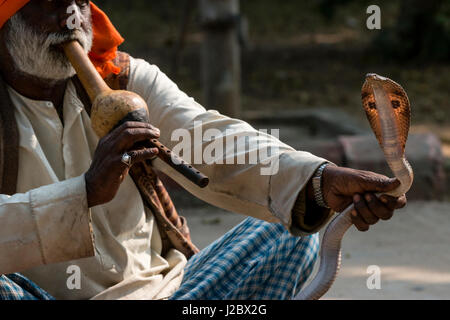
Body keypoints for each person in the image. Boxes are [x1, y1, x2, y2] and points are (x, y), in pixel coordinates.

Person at [0, 0, 406, 300]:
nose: (71, 18)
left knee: (292, 227)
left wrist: (318, 178)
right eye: (50, 3)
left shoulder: (123, 77)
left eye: (78, 2)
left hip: (175, 295)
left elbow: (209, 137)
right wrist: (85, 192)